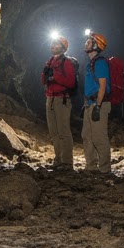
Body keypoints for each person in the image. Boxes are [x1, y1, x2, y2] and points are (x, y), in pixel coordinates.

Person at [41, 35, 77, 170]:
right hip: (50, 98)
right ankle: (58, 159)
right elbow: (44, 82)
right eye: (52, 43)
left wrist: (55, 76)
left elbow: (71, 82)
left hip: (62, 99)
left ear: (63, 48)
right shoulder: (49, 62)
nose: (52, 46)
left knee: (63, 131)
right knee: (54, 132)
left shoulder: (66, 62)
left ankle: (67, 162)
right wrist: (45, 75)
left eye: (56, 44)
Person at [82, 32, 111, 174]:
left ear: (96, 46)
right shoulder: (90, 64)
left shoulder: (100, 62)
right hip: (90, 104)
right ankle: (91, 166)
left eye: (89, 41)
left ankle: (105, 170)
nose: (86, 43)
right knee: (86, 136)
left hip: (99, 104)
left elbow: (103, 85)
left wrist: (98, 107)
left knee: (99, 137)